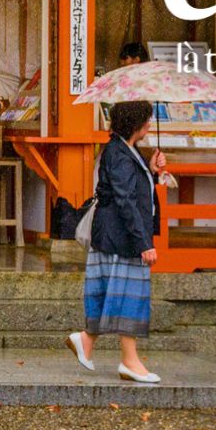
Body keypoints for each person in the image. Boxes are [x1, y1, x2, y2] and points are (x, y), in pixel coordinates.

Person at [68, 99, 163, 384]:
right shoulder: (121, 154)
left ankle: (86, 340)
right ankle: (129, 361)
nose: (149, 123)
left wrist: (153, 172)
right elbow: (126, 200)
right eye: (146, 118)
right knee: (128, 297)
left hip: (115, 235)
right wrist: (144, 241)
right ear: (136, 123)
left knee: (113, 292)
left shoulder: (124, 150)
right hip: (121, 236)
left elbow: (134, 191)